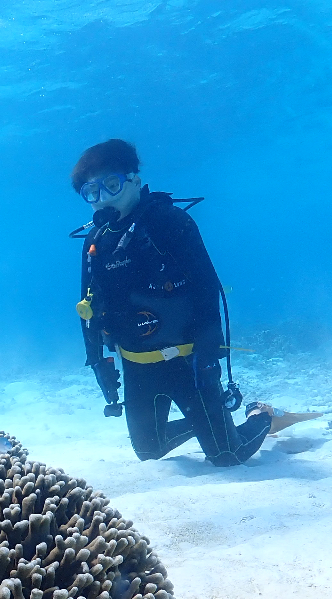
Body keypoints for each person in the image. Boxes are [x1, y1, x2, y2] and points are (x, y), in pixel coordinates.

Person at [73, 139, 276, 466]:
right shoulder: (96, 243)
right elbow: (87, 308)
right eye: (91, 192)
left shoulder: (170, 222)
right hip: (136, 363)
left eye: (111, 185)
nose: (103, 199)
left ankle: (261, 414)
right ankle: (205, 423)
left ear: (134, 180)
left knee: (228, 456)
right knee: (148, 451)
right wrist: (97, 362)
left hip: (187, 360)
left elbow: (207, 289)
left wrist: (209, 356)